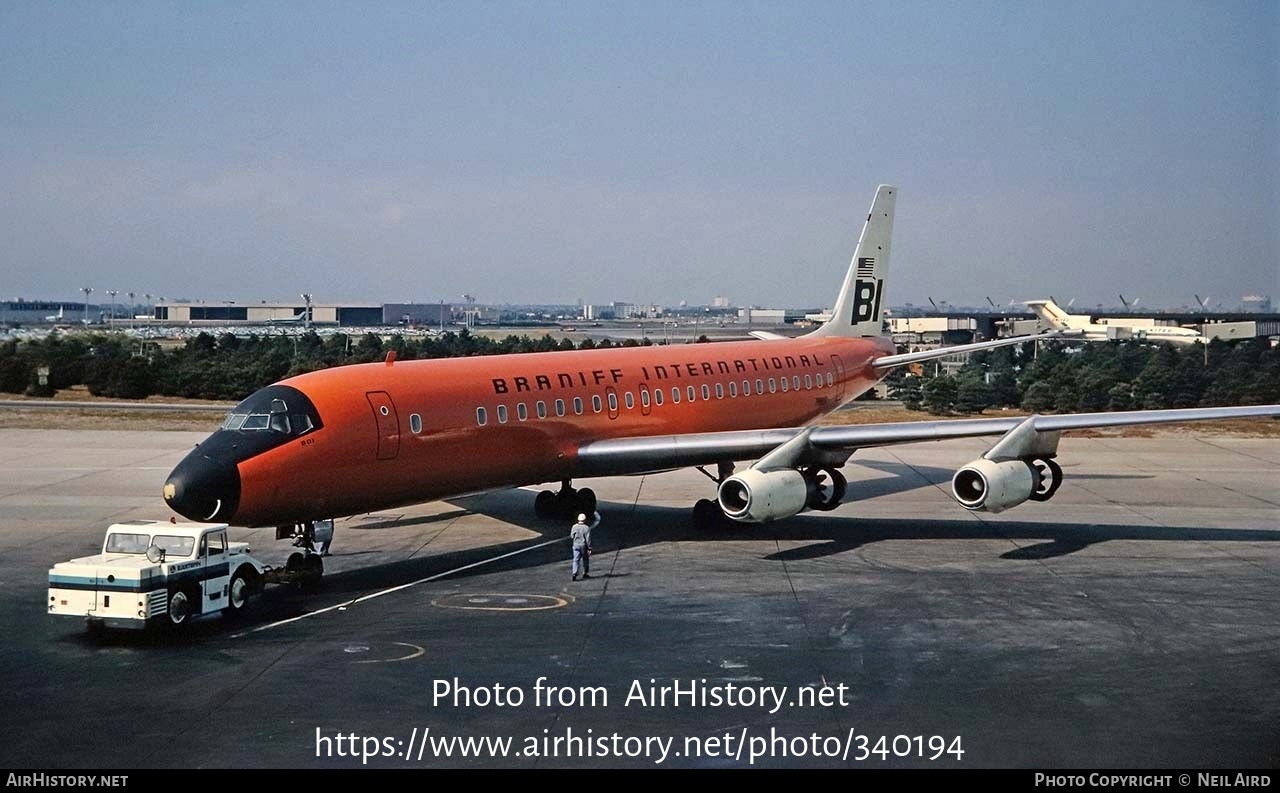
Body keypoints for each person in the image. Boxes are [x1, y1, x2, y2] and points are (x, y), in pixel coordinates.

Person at [570, 511, 600, 581]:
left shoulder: (574, 526)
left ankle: (574, 573)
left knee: (575, 560)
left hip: (576, 545)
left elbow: (571, 536)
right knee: (585, 559)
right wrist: (589, 548)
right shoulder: (586, 528)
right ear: (585, 519)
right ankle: (585, 573)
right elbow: (588, 539)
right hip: (583, 545)